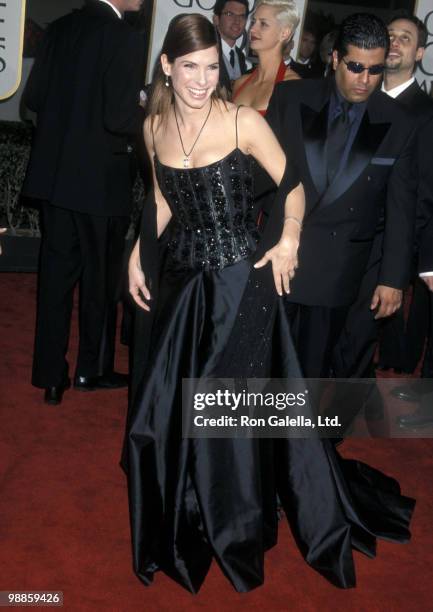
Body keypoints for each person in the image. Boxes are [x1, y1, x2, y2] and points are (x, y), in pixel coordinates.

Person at [125, 13, 414, 595]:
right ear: (166, 67)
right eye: (190, 68)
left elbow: (293, 185)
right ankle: (183, 507)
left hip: (239, 282)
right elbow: (160, 196)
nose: (203, 81)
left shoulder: (240, 123)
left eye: (211, 67)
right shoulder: (153, 126)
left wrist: (287, 238)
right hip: (182, 285)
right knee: (171, 402)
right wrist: (137, 251)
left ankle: (230, 521)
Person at [265, 13, 417, 383]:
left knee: (315, 371)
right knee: (266, 363)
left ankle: (307, 442)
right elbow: (258, 180)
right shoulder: (290, 97)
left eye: (375, 70)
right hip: (280, 256)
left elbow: (401, 206)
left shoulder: (399, 122)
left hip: (340, 267)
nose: (366, 80)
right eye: (355, 67)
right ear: (334, 58)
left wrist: (393, 278)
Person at [22, 0, 146, 405]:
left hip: (56, 179)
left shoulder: (58, 30)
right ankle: (91, 370)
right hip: (100, 183)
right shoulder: (124, 36)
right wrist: (148, 111)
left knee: (55, 281)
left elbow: (35, 98)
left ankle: (50, 376)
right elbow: (118, 118)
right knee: (100, 285)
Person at [232, 0, 301, 115]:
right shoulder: (240, 82)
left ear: (284, 33)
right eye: (253, 21)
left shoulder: (293, 86)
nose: (252, 29)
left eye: (263, 24)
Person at [213, 0, 250, 94]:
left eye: (242, 16)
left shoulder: (240, 56)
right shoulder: (205, 51)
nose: (237, 21)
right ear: (216, 19)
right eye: (230, 14)